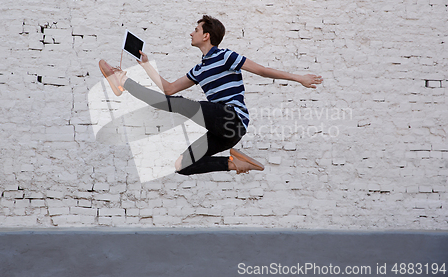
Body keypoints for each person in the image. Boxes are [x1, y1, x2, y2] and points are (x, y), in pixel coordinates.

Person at [99, 15, 323, 175]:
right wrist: (146, 65)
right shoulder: (199, 69)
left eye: (195, 30)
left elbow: (262, 71)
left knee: (179, 105)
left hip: (231, 117)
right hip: (226, 133)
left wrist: (299, 78)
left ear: (206, 36)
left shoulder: (226, 56)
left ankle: (123, 81)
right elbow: (168, 89)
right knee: (182, 166)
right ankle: (234, 164)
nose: (191, 32)